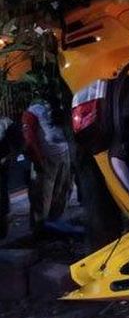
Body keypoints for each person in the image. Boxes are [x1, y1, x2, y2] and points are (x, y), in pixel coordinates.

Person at [21, 99, 72, 233]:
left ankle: (55, 224)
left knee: (62, 189)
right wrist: (38, 160)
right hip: (47, 158)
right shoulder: (33, 110)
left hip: (63, 153)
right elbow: (29, 139)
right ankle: (40, 228)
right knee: (43, 194)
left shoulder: (62, 102)